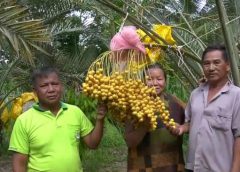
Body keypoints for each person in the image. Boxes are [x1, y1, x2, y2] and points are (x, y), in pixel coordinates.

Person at [9, 67, 107, 172]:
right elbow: (19, 165)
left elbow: (93, 143)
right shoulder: (24, 120)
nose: (51, 89)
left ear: (61, 87)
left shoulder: (75, 112)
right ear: (35, 92)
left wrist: (100, 120)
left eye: (55, 84)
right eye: (44, 86)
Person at [171, 44, 240, 172]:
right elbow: (191, 122)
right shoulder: (196, 94)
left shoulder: (236, 96)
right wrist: (181, 128)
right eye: (206, 64)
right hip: (194, 167)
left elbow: (239, 136)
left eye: (217, 62)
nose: (211, 68)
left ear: (228, 66)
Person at [125, 63, 185, 172]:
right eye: (149, 79)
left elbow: (193, 124)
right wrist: (145, 125)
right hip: (142, 167)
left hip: (171, 166)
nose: (155, 83)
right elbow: (130, 142)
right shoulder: (135, 106)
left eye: (159, 79)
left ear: (165, 81)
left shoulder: (175, 103)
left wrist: (181, 128)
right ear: (143, 82)